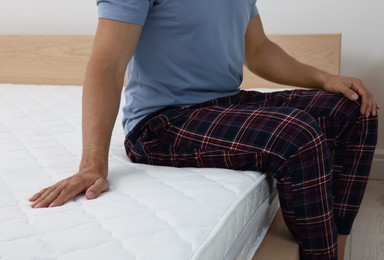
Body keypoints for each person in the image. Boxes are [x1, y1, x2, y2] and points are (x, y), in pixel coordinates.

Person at [29, 0, 379, 259]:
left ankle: (337, 244)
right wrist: (93, 163)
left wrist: (325, 79)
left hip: (224, 102)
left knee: (354, 109)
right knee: (298, 134)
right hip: (162, 123)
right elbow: (107, 63)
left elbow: (258, 51)